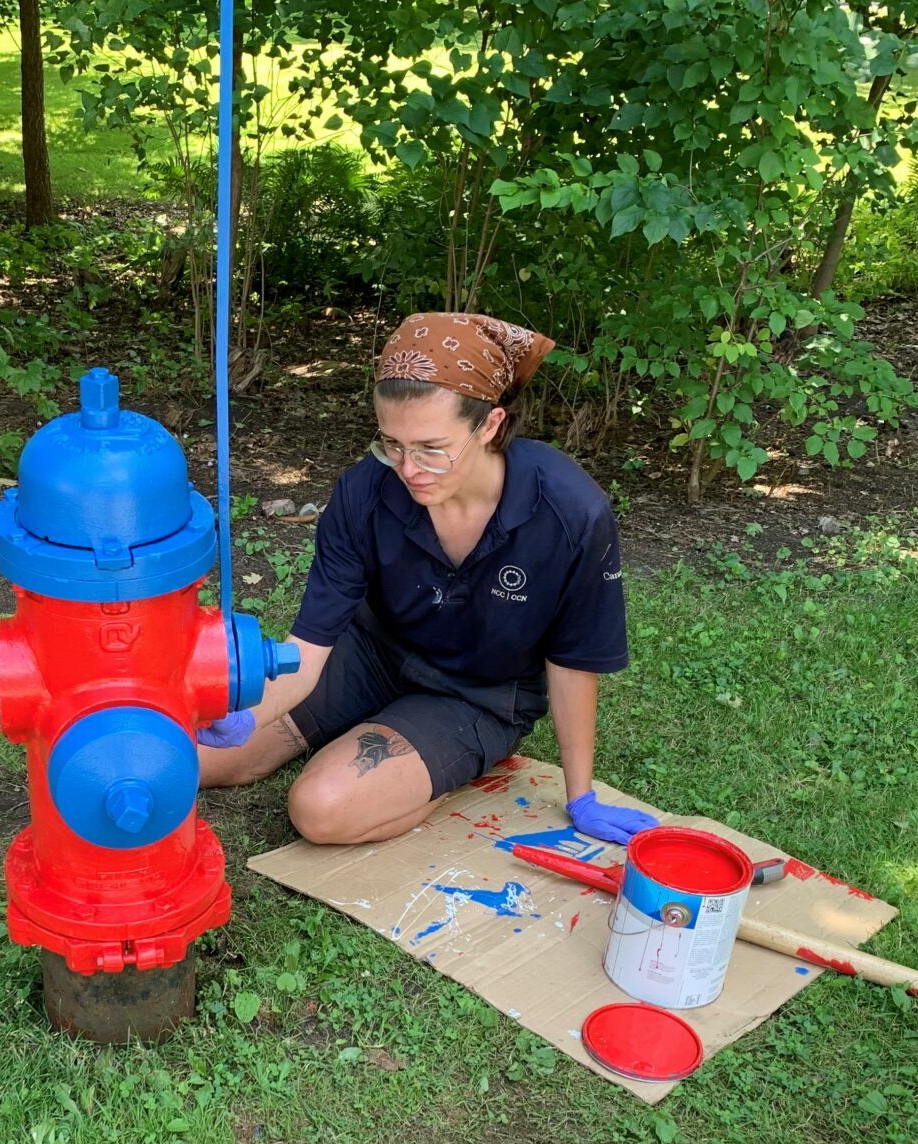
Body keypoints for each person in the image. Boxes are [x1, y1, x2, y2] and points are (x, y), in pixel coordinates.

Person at [198, 311, 657, 847]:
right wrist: (242, 713)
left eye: (432, 449)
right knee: (190, 754)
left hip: (475, 693)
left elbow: (574, 662)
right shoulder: (365, 491)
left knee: (322, 809)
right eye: (392, 444)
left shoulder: (571, 512)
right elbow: (309, 651)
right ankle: (372, 733)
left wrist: (580, 795)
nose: (408, 469)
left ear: (490, 425)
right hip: (371, 655)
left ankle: (436, 764)